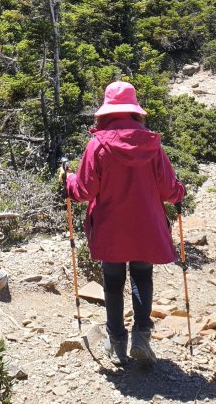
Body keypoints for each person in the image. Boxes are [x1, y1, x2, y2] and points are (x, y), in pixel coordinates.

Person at [64, 80, 186, 365]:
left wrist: (67, 181)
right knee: (142, 278)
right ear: (135, 110)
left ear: (106, 111)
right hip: (146, 227)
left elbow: (83, 191)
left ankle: (116, 341)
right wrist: (181, 191)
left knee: (113, 281)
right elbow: (169, 190)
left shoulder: (97, 145)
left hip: (110, 228)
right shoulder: (152, 145)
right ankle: (141, 338)